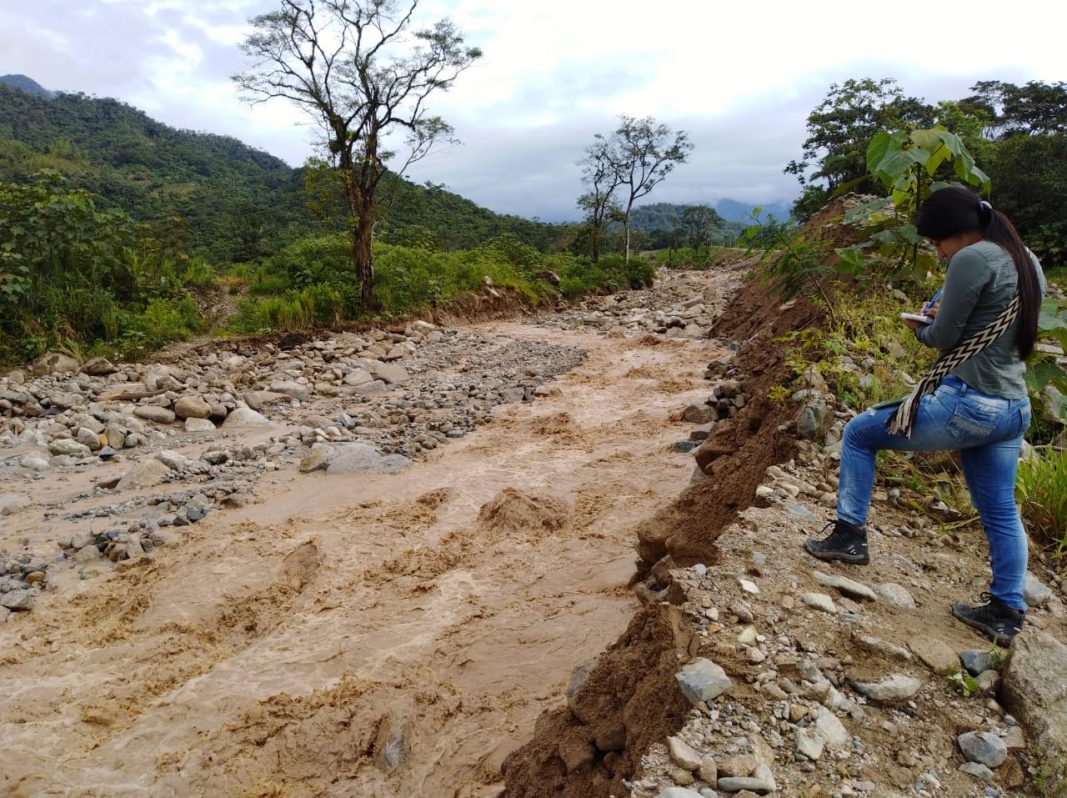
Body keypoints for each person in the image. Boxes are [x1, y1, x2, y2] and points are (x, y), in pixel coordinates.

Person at [803, 185, 1046, 647]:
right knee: (999, 509)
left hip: (969, 403)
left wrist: (920, 326)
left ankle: (849, 535)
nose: (937, 250)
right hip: (1012, 408)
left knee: (858, 434)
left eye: (937, 242)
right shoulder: (1026, 259)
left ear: (958, 232)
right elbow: (997, 320)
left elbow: (943, 337)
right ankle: (1006, 609)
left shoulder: (972, 258)